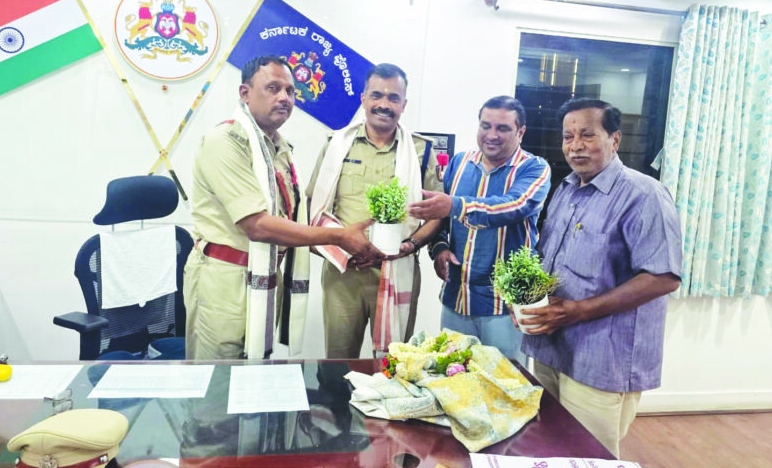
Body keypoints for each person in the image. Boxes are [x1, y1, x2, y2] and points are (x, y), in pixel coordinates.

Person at [184, 55, 381, 361]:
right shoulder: (224, 142)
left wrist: (345, 249)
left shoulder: (279, 149)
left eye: (290, 91)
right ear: (245, 93)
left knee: (255, 369)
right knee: (220, 377)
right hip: (224, 281)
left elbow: (291, 218)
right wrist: (339, 237)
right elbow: (258, 225)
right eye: (273, 88)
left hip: (264, 275)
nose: (284, 98)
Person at [519, 98, 682, 458]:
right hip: (551, 348)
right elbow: (552, 262)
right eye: (568, 137)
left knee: (591, 463)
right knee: (547, 450)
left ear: (615, 140)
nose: (575, 146)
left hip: (602, 359)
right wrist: (527, 301)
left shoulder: (644, 195)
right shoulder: (566, 189)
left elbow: (663, 277)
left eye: (587, 135)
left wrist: (577, 311)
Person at [307, 63, 443, 358]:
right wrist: (339, 248)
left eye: (393, 98)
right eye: (376, 95)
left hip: (399, 270)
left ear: (404, 104)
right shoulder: (336, 144)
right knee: (339, 362)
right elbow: (313, 207)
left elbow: (436, 214)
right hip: (344, 275)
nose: (384, 104)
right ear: (363, 99)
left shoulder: (421, 151)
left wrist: (409, 245)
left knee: (394, 363)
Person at [408, 96, 551, 365]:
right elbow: (442, 220)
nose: (492, 135)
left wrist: (455, 205)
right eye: (486, 126)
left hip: (506, 306)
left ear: (520, 132)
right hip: (456, 299)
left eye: (502, 128)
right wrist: (439, 248)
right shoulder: (459, 163)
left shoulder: (534, 168)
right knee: (454, 377)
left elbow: (513, 206)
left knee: (506, 383)